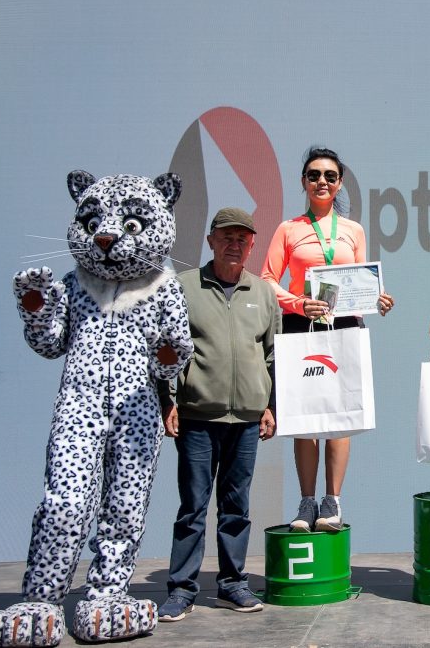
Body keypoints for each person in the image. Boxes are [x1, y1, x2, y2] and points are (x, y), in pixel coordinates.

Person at [262, 147, 394, 533]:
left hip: (345, 327)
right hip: (300, 327)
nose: (322, 181)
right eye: (314, 175)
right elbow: (268, 280)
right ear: (304, 181)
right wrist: (298, 303)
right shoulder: (288, 229)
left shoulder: (354, 230)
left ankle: (332, 501)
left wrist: (377, 299)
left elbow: (361, 280)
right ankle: (307, 502)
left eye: (330, 176)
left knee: (341, 415)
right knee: (304, 417)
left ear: (339, 184)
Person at [158, 207, 280, 622]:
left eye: (242, 239)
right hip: (197, 415)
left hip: (246, 418)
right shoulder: (183, 287)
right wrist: (168, 400)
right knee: (192, 507)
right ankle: (181, 590)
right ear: (211, 241)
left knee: (236, 507)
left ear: (251, 245)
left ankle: (232, 585)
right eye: (227, 237)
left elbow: (272, 355)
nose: (234, 244)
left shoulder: (263, 292)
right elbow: (166, 349)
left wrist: (271, 405)